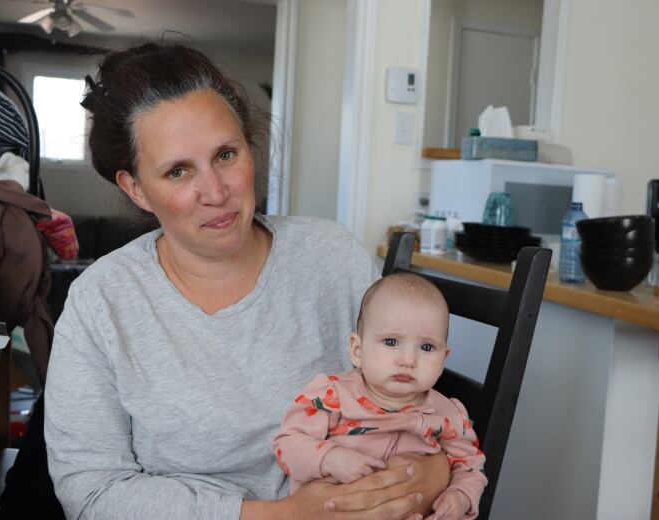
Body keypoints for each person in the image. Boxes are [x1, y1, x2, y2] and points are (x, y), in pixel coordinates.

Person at [43, 42, 450, 520]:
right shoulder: (102, 300)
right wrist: (285, 515)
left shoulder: (332, 258)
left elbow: (418, 403)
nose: (216, 192)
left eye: (226, 154)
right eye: (178, 171)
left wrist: (435, 470)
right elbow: (91, 492)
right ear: (136, 188)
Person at [272, 273, 487, 519]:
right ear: (357, 350)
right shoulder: (332, 396)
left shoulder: (448, 414)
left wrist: (460, 495)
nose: (408, 360)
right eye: (391, 341)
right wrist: (329, 458)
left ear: (443, 359)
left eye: (426, 347)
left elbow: (470, 463)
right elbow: (286, 444)